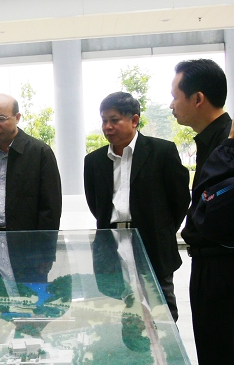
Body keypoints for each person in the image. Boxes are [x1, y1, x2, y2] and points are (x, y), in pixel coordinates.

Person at [83, 91, 190, 321]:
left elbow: (180, 199)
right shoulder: (94, 161)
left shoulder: (162, 152)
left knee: (162, 311)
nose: (107, 127)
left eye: (114, 120)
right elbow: (95, 204)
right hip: (112, 244)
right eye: (104, 120)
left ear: (134, 120)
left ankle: (166, 345)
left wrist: (163, 230)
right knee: (124, 312)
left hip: (152, 242)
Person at [171, 59, 233, 364]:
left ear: (198, 99)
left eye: (175, 97)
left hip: (224, 268)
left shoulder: (228, 142)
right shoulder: (211, 139)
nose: (171, 105)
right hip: (208, 266)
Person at [0, 93, 62, 232]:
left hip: (25, 239)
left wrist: (43, 242)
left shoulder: (40, 153)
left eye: (1, 119)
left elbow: (51, 208)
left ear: (17, 118)